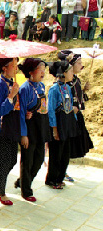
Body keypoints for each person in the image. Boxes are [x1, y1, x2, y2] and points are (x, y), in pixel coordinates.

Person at [14, 58, 50, 202]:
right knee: (27, 160)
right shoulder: (25, 89)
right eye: (40, 69)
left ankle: (22, 181)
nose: (43, 72)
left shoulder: (41, 86)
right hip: (29, 129)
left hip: (40, 127)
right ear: (30, 72)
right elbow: (21, 113)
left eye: (44, 69)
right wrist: (23, 135)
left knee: (39, 159)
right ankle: (26, 191)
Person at [0, 58, 20, 206]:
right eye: (13, 66)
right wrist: (11, 96)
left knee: (12, 159)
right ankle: (0, 191)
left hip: (13, 126)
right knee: (3, 161)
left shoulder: (13, 84)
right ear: (5, 68)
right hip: (1, 128)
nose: (16, 69)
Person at [58, 50, 94, 170]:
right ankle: (61, 170)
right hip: (68, 116)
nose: (81, 65)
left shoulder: (76, 80)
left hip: (77, 115)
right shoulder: (65, 82)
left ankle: (64, 169)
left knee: (75, 144)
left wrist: (84, 90)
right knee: (68, 145)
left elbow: (78, 97)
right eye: (79, 63)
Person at [45, 60, 78, 189]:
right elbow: (51, 110)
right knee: (56, 155)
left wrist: (73, 121)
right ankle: (51, 179)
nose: (72, 73)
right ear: (63, 73)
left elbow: (69, 106)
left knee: (65, 154)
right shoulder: (54, 89)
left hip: (67, 124)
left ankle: (60, 177)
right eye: (70, 71)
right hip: (58, 125)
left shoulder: (67, 87)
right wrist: (54, 129)